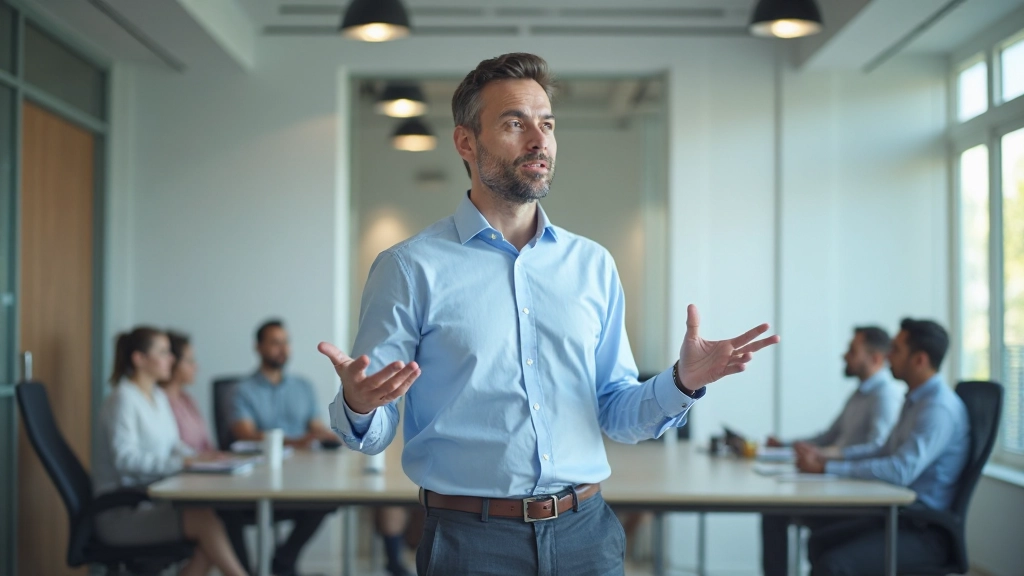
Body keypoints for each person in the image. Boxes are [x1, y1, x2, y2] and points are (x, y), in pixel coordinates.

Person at [319, 52, 780, 575]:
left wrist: (681, 382)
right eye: (515, 123)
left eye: (548, 124)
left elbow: (616, 413)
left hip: (587, 534)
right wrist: (358, 404)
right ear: (466, 142)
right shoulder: (408, 268)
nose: (539, 140)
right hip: (471, 544)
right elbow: (376, 429)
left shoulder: (593, 266)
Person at [229, 319, 412, 576]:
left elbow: (315, 427)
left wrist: (337, 430)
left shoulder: (302, 386)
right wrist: (299, 440)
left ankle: (284, 558)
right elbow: (245, 435)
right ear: (258, 347)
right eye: (274, 343)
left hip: (303, 471)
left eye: (285, 342)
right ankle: (280, 563)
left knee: (327, 500)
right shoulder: (243, 390)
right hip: (261, 476)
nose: (282, 349)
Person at [793, 319, 969, 575]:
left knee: (835, 564)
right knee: (820, 541)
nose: (887, 356)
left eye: (896, 350)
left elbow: (900, 471)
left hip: (925, 530)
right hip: (899, 515)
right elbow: (882, 450)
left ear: (919, 360)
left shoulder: (937, 408)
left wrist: (828, 467)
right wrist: (826, 462)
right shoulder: (915, 400)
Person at [93, 327, 247, 576]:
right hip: (122, 512)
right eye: (163, 352)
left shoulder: (156, 395)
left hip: (150, 500)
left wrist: (201, 458)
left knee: (210, 533)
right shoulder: (122, 399)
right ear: (139, 359)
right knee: (206, 523)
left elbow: (173, 444)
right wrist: (183, 462)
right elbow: (125, 460)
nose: (171, 359)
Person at [761, 326, 903, 576]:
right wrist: (784, 444)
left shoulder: (886, 396)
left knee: (778, 512)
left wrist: (825, 459)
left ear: (875, 358)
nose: (844, 356)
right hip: (835, 482)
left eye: (852, 351)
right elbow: (827, 437)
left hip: (855, 493)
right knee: (774, 511)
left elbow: (878, 449)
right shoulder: (859, 394)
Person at [160, 331, 214, 452]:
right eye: (190, 361)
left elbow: (206, 444)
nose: (196, 367)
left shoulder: (187, 399)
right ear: (172, 362)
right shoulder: (160, 401)